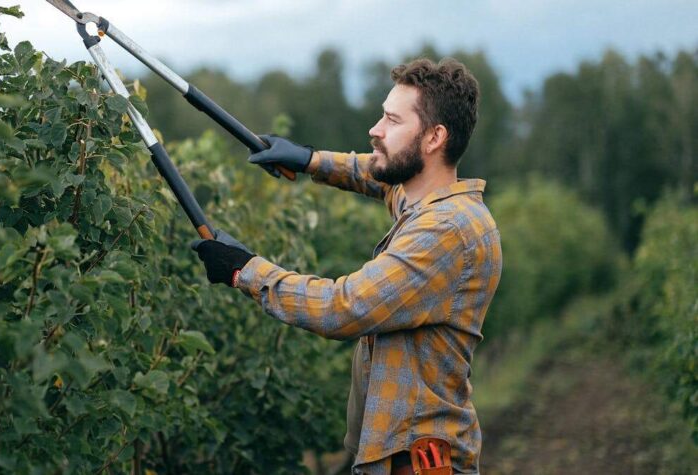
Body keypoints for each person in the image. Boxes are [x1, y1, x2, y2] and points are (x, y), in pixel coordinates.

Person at [191, 58, 502, 475]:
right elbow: (374, 175)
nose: (375, 129)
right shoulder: (423, 197)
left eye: (392, 120)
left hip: (415, 463)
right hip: (394, 454)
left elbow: (344, 307)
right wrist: (310, 160)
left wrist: (244, 269)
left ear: (434, 138)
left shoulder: (446, 231)